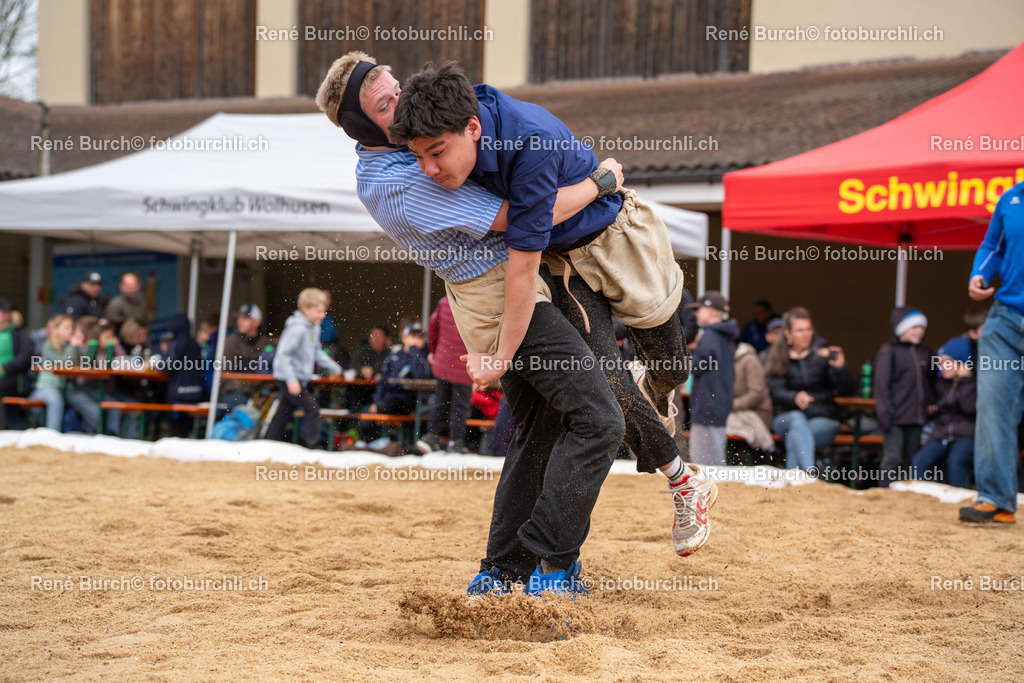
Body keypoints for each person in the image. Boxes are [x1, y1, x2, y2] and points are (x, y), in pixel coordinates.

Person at [316, 53, 714, 595]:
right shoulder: (404, 176)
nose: (401, 103)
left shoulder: (442, 132)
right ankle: (560, 564)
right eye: (386, 105)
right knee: (598, 418)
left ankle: (501, 572)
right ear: (364, 128)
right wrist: (600, 181)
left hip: (534, 274)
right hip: (503, 292)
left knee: (543, 427)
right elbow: (525, 221)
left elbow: (518, 193)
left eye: (397, 88)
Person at [960, 179, 1024, 524]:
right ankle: (996, 498)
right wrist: (980, 274)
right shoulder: (1011, 198)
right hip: (1005, 320)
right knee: (993, 406)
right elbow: (992, 247)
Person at [765, 307, 855, 471]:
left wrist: (841, 369)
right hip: (785, 418)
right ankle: (810, 474)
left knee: (796, 435)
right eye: (800, 330)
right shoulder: (777, 357)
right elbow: (775, 392)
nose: (806, 334)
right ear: (788, 334)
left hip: (822, 418)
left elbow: (846, 390)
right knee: (797, 419)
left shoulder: (823, 356)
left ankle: (795, 483)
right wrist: (794, 397)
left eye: (808, 329)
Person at [266, 288, 342, 449]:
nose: (322, 315)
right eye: (318, 311)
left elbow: (315, 351)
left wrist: (333, 366)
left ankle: (269, 442)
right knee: (312, 408)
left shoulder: (313, 327)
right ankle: (313, 446)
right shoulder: (298, 329)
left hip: (298, 378)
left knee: (284, 413)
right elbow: (283, 356)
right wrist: (291, 380)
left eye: (324, 311)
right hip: (288, 377)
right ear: (305, 309)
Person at [873, 307, 935, 487]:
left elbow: (930, 382)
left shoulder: (925, 352)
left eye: (921, 328)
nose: (918, 331)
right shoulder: (889, 351)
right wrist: (885, 413)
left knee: (910, 460)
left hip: (916, 417)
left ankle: (904, 497)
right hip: (895, 417)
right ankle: (884, 493)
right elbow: (881, 385)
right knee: (892, 458)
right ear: (901, 328)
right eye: (913, 327)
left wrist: (931, 403)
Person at [912, 337, 976, 489]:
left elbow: (970, 408)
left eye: (947, 362)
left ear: (961, 362)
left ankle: (959, 501)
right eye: (940, 362)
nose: (942, 366)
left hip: (966, 435)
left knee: (956, 461)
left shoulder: (973, 382)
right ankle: (919, 500)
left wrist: (965, 380)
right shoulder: (941, 383)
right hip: (941, 433)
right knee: (919, 461)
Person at [686, 292, 738, 466]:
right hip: (718, 400)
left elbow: (697, 365)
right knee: (714, 454)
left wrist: (680, 357)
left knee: (704, 460)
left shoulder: (711, 335)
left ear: (709, 310)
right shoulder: (724, 335)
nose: (696, 314)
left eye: (699, 309)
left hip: (708, 403)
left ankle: (710, 491)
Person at [418, 296, 474, 454]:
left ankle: (432, 437)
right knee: (460, 406)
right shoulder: (474, 302)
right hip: (465, 365)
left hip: (444, 361)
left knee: (440, 401)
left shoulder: (444, 302)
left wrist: (433, 350)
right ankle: (456, 442)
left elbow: (433, 325)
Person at [361, 322, 432, 447]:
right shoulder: (395, 355)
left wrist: (414, 349)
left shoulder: (422, 355)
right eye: (412, 336)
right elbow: (383, 381)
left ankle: (396, 444)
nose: (416, 340)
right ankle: (371, 445)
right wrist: (376, 401)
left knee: (385, 406)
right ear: (404, 338)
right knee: (365, 412)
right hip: (388, 398)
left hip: (408, 401)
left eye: (419, 337)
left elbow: (420, 375)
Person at [28, 314, 78, 431]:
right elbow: (64, 363)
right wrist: (73, 347)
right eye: (67, 328)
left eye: (72, 328)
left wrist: (80, 346)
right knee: (55, 400)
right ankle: (52, 434)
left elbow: (84, 363)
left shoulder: (67, 346)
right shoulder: (48, 346)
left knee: (85, 403)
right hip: (45, 388)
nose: (71, 331)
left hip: (65, 388)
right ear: (55, 330)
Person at [727, 337, 775, 458]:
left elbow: (756, 394)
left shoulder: (749, 360)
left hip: (758, 414)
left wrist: (730, 406)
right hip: (736, 411)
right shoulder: (726, 360)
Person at [162, 313, 207, 437]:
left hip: (178, 394)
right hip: (196, 393)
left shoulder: (176, 344)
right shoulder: (195, 344)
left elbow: (169, 367)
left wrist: (159, 366)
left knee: (176, 430)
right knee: (187, 428)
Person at [219, 304, 272, 409]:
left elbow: (272, 373)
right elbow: (224, 373)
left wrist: (265, 392)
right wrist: (246, 387)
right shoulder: (231, 342)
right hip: (235, 393)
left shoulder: (266, 343)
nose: (240, 321)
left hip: (260, 393)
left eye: (245, 318)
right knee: (241, 402)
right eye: (239, 318)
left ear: (256, 322)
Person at [0, 298, 35, 429]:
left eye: (9, 313)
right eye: (4, 313)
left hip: (15, 378)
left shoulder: (20, 333)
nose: (7, 316)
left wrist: (5, 368)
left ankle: (1, 430)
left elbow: (26, 356)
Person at [347, 324, 391, 410]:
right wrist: (361, 370)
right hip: (359, 391)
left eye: (378, 336)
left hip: (377, 393)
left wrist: (378, 373)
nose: (375, 338)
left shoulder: (389, 354)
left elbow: (390, 370)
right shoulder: (362, 350)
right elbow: (352, 365)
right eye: (372, 335)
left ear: (385, 338)